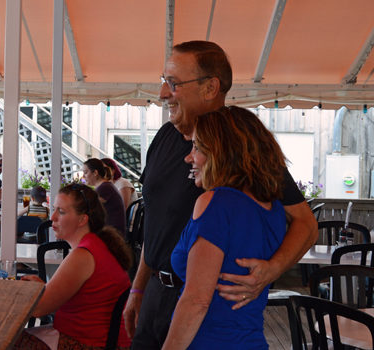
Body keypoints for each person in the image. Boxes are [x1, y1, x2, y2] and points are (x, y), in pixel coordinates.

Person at [123, 41, 318, 349]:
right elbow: (155, 222)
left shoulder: (243, 152)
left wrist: (272, 270)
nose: (162, 93)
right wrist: (138, 289)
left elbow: (305, 223)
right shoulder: (163, 138)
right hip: (156, 293)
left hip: (208, 309)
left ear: (210, 87)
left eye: (173, 83)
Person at [162, 106, 287, 349]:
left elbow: (196, 301)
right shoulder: (274, 209)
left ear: (221, 152)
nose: (189, 157)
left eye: (197, 147)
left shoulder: (215, 202)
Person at [15, 184, 132, 349]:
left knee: (0, 339)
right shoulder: (97, 244)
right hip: (100, 340)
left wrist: (22, 291)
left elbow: (39, 309)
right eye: (54, 209)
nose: (53, 217)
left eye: (61, 212)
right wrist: (43, 288)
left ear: (82, 219)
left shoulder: (83, 255)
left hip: (87, 343)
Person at [82, 158, 126, 237]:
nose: (83, 176)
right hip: (110, 232)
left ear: (95, 173)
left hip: (112, 236)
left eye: (85, 172)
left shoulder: (105, 188)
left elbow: (87, 208)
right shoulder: (106, 186)